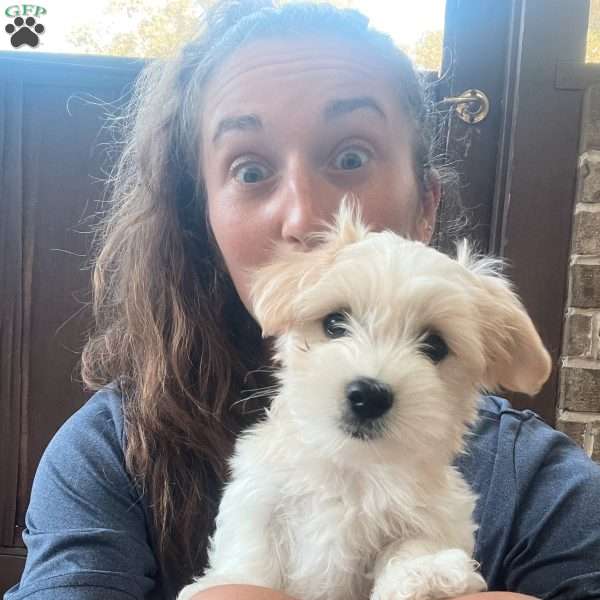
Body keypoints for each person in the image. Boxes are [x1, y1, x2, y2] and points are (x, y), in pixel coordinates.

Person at [5, 2, 600, 599]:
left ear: (427, 201)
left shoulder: (543, 485)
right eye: (249, 168)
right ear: (201, 214)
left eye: (350, 157)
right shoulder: (108, 452)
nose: (304, 217)